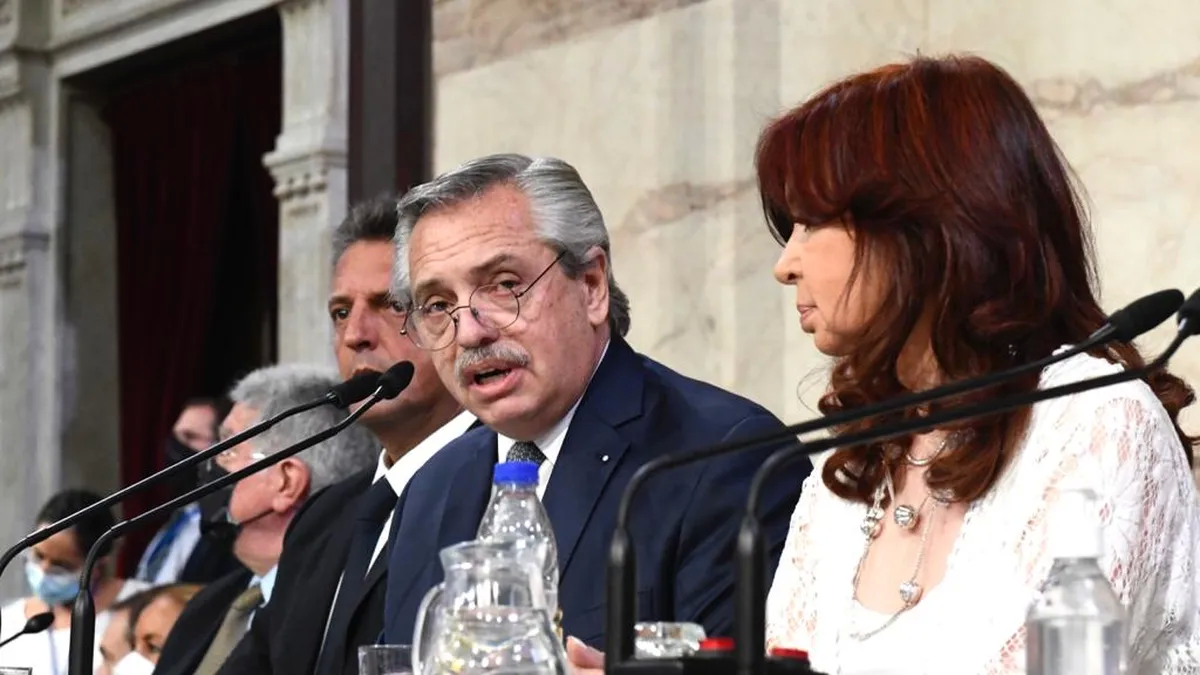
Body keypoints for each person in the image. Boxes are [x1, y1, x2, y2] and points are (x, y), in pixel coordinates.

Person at [759, 54, 1200, 674]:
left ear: (921, 226)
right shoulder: (858, 455)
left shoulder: (1098, 422)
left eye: (810, 223)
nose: (787, 265)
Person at [381, 153, 810, 652]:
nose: (470, 331)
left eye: (503, 286)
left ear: (591, 286)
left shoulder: (725, 457)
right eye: (437, 306)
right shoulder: (430, 489)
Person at [218, 196, 475, 675]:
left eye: (390, 304)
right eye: (340, 312)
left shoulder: (503, 488)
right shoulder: (324, 518)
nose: (356, 333)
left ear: (448, 317)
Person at [153, 364, 378, 675]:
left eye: (228, 449)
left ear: (286, 482)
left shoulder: (335, 614)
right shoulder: (208, 605)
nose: (211, 463)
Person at [0, 489, 151, 675]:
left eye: (61, 565)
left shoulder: (148, 610)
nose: (44, 570)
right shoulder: (10, 623)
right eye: (39, 556)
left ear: (98, 562)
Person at [136, 397, 241, 586]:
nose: (176, 446)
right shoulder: (178, 516)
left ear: (222, 447)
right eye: (176, 436)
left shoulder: (226, 526)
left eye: (190, 437)